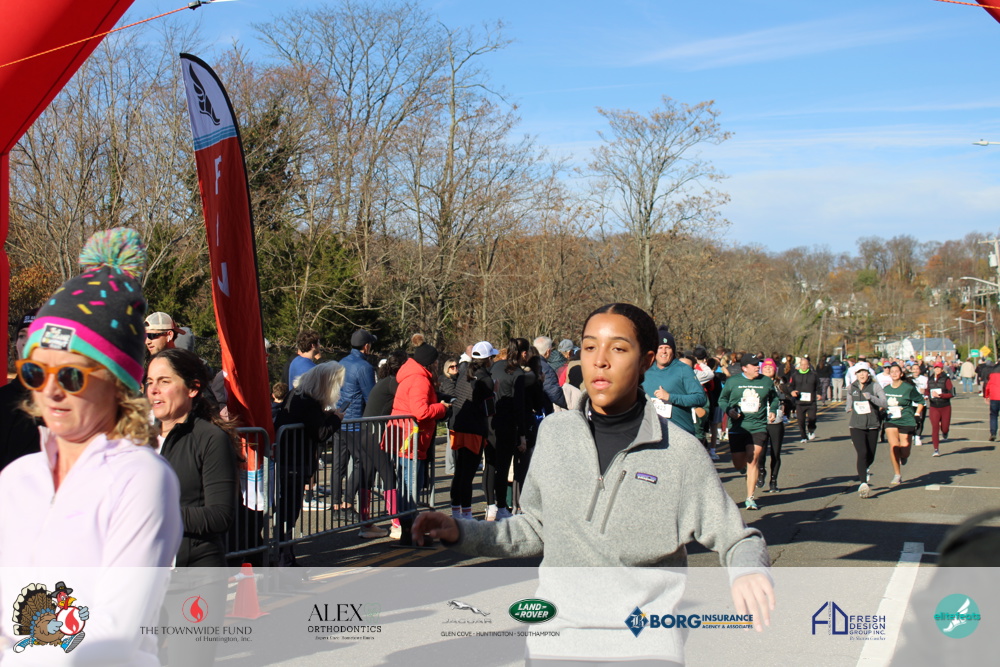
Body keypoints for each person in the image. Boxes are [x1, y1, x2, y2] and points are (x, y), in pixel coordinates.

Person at [411, 303, 773, 663]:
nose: (600, 360)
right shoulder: (555, 434)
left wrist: (747, 573)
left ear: (646, 361)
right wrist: (461, 532)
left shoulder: (679, 452)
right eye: (589, 347)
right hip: (555, 646)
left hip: (645, 648)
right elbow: (535, 528)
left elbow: (737, 538)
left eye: (618, 348)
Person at [0, 228, 182, 664]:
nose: (51, 391)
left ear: (116, 383)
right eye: (36, 372)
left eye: (71, 375)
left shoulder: (141, 477)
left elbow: (112, 636)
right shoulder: (17, 478)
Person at [147, 347, 240, 667]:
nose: (154, 390)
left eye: (164, 381)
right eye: (149, 382)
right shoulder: (136, 440)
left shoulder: (210, 439)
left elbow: (220, 515)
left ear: (193, 388)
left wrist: (157, 516)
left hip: (194, 579)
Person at [272, 361, 345, 566]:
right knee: (289, 511)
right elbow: (320, 433)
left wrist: (326, 417)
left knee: (287, 511)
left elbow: (312, 424)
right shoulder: (308, 401)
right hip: (294, 461)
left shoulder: (296, 395)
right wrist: (336, 419)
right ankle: (285, 558)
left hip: (288, 459)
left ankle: (285, 555)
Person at [391, 344, 448, 542]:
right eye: (436, 361)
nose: (438, 364)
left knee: (409, 485)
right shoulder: (419, 379)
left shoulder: (414, 375)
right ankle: (409, 532)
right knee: (410, 487)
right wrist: (442, 408)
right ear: (431, 362)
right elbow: (421, 411)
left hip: (409, 437)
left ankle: (410, 530)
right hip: (411, 439)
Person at [718, 353, 779, 510]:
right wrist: (729, 410)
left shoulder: (766, 381)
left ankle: (750, 498)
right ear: (744, 368)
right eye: (754, 365)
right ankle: (745, 470)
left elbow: (774, 398)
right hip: (738, 427)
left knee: (753, 458)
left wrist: (773, 410)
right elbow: (722, 400)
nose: (758, 367)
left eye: (758, 364)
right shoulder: (733, 382)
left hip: (758, 426)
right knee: (738, 464)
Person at [488, 338, 534, 521]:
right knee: (504, 466)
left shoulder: (496, 366)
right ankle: (501, 506)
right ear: (524, 353)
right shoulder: (518, 374)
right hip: (507, 424)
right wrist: (522, 434)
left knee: (492, 466)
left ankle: (491, 505)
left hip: (491, 421)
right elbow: (519, 406)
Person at [447, 343, 495, 520]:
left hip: (458, 425)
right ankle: (466, 513)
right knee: (468, 473)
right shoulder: (485, 379)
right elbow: (489, 410)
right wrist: (494, 392)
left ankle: (456, 510)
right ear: (488, 359)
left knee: (460, 471)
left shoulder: (464, 371)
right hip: (474, 428)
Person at [332, 329, 377, 511]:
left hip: (339, 418)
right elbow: (370, 396)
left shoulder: (341, 363)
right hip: (355, 421)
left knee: (338, 464)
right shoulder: (365, 367)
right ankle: (348, 501)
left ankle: (336, 503)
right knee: (363, 461)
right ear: (366, 346)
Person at [641, 327, 706, 435]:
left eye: (668, 348)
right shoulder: (645, 369)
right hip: (651, 432)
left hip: (679, 432)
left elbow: (700, 398)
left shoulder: (683, 369)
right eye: (660, 347)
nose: (664, 351)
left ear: (673, 350)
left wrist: (670, 397)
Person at [0, 309, 40, 472]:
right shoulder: (3, 398)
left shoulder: (64, 403)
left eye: (34, 334)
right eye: (22, 335)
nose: (25, 342)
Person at [845, 362, 888, 498]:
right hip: (856, 425)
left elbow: (884, 402)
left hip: (872, 424)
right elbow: (849, 399)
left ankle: (865, 468)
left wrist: (872, 398)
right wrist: (848, 407)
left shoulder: (875, 386)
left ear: (868, 374)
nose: (862, 375)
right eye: (859, 372)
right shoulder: (852, 387)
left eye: (864, 372)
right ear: (856, 374)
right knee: (862, 452)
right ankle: (863, 483)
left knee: (870, 455)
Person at [883, 364, 925, 487]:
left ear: (901, 374)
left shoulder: (908, 388)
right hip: (891, 420)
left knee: (905, 450)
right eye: (892, 371)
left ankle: (904, 456)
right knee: (894, 446)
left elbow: (921, 401)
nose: (894, 373)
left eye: (897, 371)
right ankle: (897, 474)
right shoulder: (886, 389)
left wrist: (917, 414)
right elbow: (881, 403)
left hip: (906, 419)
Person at [758, 359, 787, 493]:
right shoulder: (757, 383)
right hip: (761, 421)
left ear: (775, 370)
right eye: (765, 367)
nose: (768, 369)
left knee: (775, 453)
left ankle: (773, 481)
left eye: (771, 367)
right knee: (760, 452)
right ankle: (761, 472)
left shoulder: (780, 384)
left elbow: (786, 399)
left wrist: (784, 409)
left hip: (776, 421)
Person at [925, 361, 954, 457]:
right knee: (935, 427)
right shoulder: (930, 379)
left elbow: (951, 393)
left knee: (945, 427)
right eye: (936, 368)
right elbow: (927, 390)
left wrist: (941, 395)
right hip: (934, 406)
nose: (937, 369)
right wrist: (926, 395)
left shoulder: (946, 379)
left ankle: (945, 432)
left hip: (945, 406)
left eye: (939, 368)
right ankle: (936, 449)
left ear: (942, 369)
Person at [788, 356, 819, 442]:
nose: (804, 366)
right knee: (800, 421)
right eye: (802, 365)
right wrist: (792, 392)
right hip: (800, 402)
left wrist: (819, 394)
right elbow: (790, 386)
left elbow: (818, 386)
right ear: (799, 365)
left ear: (808, 365)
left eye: (805, 365)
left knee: (812, 418)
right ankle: (803, 437)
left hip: (811, 402)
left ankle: (811, 430)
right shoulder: (795, 375)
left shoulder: (814, 375)